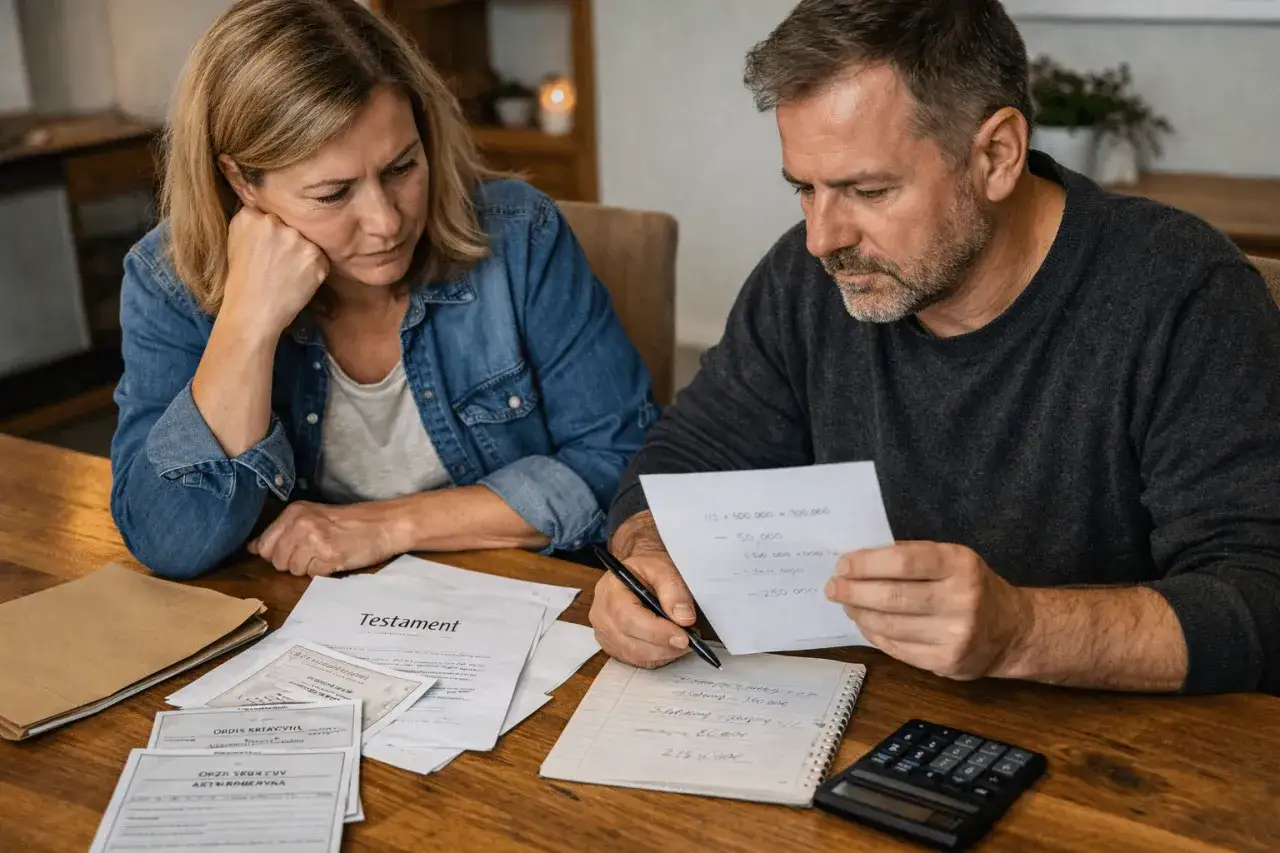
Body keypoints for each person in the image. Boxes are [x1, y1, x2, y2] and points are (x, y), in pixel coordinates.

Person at [591, 0, 1280, 695]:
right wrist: (645, 555)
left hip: (1127, 763)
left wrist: (1023, 630)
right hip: (861, 724)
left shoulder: (1183, 294)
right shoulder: (804, 281)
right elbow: (685, 460)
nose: (822, 239)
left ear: (997, 155)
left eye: (867, 189)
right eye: (805, 188)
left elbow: (1261, 593)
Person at [110, 0, 656, 580]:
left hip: (518, 594)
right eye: (333, 194)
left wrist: (389, 525)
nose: (387, 222)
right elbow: (168, 541)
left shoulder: (520, 235)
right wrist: (247, 325)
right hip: (300, 622)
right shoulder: (169, 279)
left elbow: (620, 465)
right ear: (242, 180)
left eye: (401, 168)